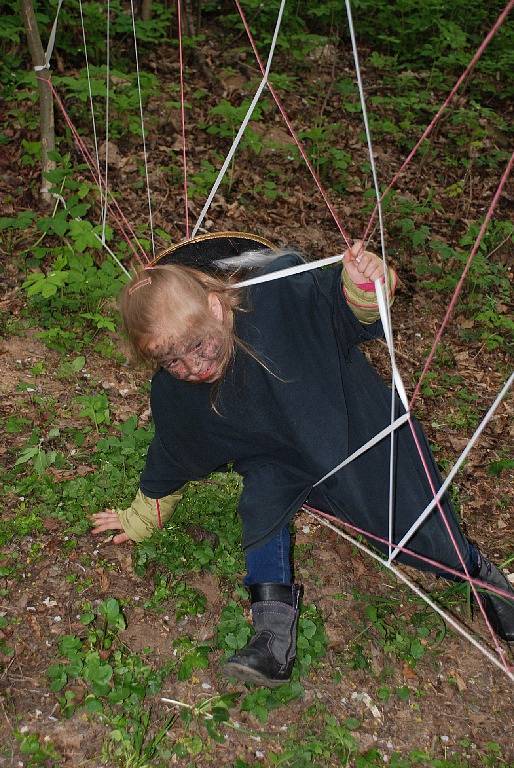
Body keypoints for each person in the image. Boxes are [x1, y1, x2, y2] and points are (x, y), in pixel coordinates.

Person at [91, 232, 514, 687]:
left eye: (196, 346)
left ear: (215, 306)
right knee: (261, 508)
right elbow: (173, 451)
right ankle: (272, 637)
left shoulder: (277, 296)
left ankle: (479, 575)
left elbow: (344, 309)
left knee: (412, 525)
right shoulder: (177, 389)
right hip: (277, 458)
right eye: (171, 361)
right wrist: (139, 518)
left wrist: (362, 284)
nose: (192, 367)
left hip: (351, 430)